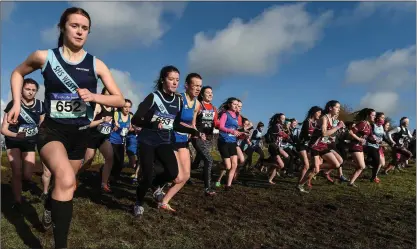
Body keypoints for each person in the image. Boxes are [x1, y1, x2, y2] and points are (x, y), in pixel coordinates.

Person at [7, 7, 125, 248]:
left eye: (85, 28)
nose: (80, 32)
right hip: (52, 131)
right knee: (66, 179)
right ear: (62, 27)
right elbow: (17, 73)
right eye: (75, 26)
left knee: (66, 184)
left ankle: (50, 204)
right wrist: (17, 104)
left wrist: (94, 96)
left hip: (79, 135)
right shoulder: (44, 57)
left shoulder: (96, 64)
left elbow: (119, 99)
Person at [131, 65, 202, 216]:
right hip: (147, 141)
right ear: (163, 80)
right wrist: (152, 123)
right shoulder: (154, 97)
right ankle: (138, 202)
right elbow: (136, 119)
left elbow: (175, 124)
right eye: (171, 79)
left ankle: (155, 185)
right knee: (148, 174)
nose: (175, 83)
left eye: (177, 80)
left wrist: (192, 130)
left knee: (172, 172)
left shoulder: (178, 101)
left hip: (164, 141)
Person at [159, 73, 203, 211]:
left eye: (199, 86)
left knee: (186, 176)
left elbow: (193, 123)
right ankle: (156, 185)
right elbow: (172, 120)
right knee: (177, 176)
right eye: (195, 85)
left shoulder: (197, 104)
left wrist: (197, 132)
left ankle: (164, 202)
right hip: (171, 139)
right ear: (187, 85)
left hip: (183, 141)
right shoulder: (178, 98)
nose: (197, 88)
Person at [1, 78, 45, 210]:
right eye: (27, 89)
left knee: (27, 174)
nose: (31, 92)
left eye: (33, 90)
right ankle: (17, 201)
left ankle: (25, 183)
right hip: (14, 140)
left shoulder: (41, 106)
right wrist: (16, 135)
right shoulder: (13, 105)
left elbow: (42, 125)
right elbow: (3, 129)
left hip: (30, 142)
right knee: (17, 171)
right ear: (21, 90)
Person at [82, 87, 114, 192]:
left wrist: (114, 125)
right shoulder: (98, 106)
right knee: (88, 162)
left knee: (110, 158)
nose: (108, 97)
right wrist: (102, 120)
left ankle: (104, 183)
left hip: (104, 138)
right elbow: (89, 124)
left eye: (111, 95)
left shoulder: (113, 108)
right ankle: (74, 175)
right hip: (93, 137)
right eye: (106, 95)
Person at [191, 85, 218, 196]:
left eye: (211, 92)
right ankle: (207, 188)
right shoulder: (198, 105)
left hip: (208, 139)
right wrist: (196, 132)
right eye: (208, 92)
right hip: (197, 137)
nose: (210, 94)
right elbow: (191, 121)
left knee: (196, 164)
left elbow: (217, 124)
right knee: (209, 160)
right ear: (202, 94)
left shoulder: (214, 108)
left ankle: (183, 173)